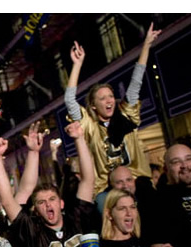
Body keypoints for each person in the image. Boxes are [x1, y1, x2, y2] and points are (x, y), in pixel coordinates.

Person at [65, 23, 161, 196]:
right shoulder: (91, 127)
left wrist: (146, 45)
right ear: (93, 105)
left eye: (110, 96)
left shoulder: (125, 117)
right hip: (106, 189)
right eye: (102, 98)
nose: (109, 100)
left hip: (137, 180)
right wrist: (77, 65)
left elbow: (136, 82)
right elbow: (69, 100)